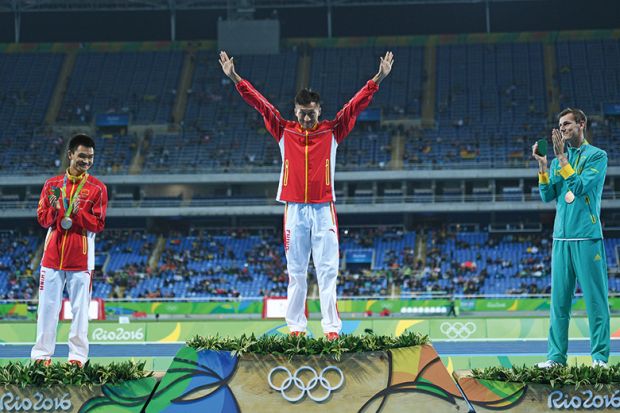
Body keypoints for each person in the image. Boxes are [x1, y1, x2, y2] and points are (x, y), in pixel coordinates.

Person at [219, 50, 394, 339]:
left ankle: (332, 331)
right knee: (296, 272)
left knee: (328, 272)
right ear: (295, 111)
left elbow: (354, 106)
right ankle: (297, 329)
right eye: (302, 113)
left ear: (319, 111)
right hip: (295, 210)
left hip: (324, 208)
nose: (307, 118)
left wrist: (378, 78)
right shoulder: (284, 130)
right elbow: (261, 105)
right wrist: (236, 78)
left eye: (312, 113)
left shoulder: (332, 131)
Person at [532, 108, 609, 368]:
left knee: (596, 302)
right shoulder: (556, 161)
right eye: (560, 125)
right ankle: (555, 358)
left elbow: (578, 187)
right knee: (559, 305)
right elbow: (546, 195)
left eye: (567, 124)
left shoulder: (597, 156)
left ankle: (599, 358)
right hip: (561, 240)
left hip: (587, 238)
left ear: (581, 124)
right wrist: (544, 167)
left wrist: (562, 159)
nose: (562, 128)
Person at [31, 134, 108, 367]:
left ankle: (77, 357)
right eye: (82, 156)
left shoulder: (97, 189)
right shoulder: (52, 186)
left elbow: (99, 224)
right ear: (70, 154)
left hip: (81, 260)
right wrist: (57, 210)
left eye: (90, 157)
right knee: (47, 309)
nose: (86, 161)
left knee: (80, 311)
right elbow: (43, 220)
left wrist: (77, 213)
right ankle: (41, 356)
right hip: (52, 258)